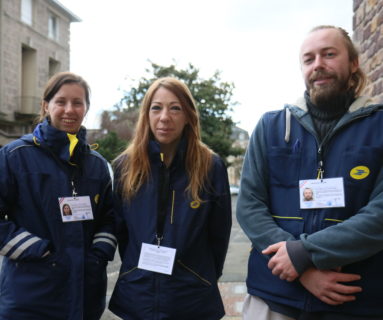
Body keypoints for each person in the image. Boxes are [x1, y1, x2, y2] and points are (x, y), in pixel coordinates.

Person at [237, 25, 383, 320]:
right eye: (309, 59)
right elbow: (250, 206)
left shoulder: (379, 127)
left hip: (355, 302)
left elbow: (379, 215)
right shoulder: (271, 126)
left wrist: (305, 253)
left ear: (353, 62)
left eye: (329, 54)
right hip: (273, 297)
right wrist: (297, 265)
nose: (318, 65)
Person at [109, 77, 232, 319]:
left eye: (175, 108)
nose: (165, 117)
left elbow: (219, 235)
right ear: (146, 115)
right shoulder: (125, 166)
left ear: (188, 115)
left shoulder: (210, 166)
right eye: (157, 108)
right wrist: (137, 270)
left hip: (191, 297)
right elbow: (122, 233)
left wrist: (200, 275)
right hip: (138, 296)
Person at [0, 72, 116, 320]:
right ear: (46, 105)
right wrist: (40, 251)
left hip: (86, 293)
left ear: (86, 108)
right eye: (61, 101)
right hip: (29, 294)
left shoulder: (96, 165)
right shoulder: (14, 156)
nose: (69, 110)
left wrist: (98, 254)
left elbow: (110, 217)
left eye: (77, 102)